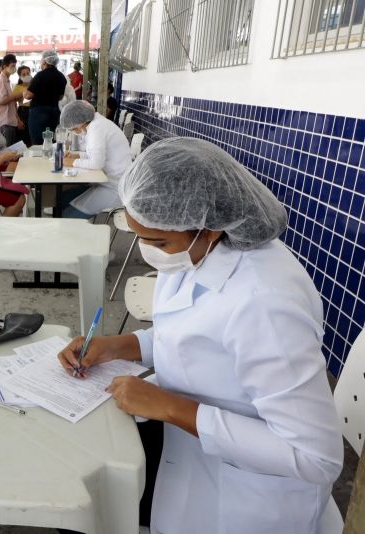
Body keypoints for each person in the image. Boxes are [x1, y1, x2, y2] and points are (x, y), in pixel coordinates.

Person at [58, 136, 343, 534]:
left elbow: (315, 457)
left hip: (251, 504)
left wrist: (171, 408)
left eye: (157, 241)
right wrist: (118, 346)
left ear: (208, 228)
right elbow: (192, 336)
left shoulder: (265, 303)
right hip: (194, 466)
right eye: (139, 236)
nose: (146, 252)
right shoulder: (196, 255)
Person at [57, 100, 131, 219]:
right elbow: (98, 155)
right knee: (62, 199)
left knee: (67, 215)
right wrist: (78, 156)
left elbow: (96, 163)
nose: (75, 132)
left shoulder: (97, 128)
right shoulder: (96, 122)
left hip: (115, 187)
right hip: (105, 181)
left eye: (74, 129)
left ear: (80, 122)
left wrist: (73, 162)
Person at [25, 49, 67, 145]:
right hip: (54, 112)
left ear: (44, 61)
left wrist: (24, 93)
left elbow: (28, 95)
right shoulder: (61, 77)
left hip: (38, 113)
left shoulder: (40, 75)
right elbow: (60, 97)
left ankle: (39, 159)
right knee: (50, 141)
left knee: (38, 142)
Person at [0, 54, 23, 146]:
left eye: (15, 66)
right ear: (5, 66)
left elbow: (10, 101)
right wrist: (16, 95)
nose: (14, 68)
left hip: (10, 120)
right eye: (12, 66)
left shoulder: (7, 80)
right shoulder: (1, 80)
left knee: (11, 148)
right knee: (7, 150)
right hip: (4, 121)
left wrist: (18, 119)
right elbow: (1, 100)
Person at [13, 65, 32, 147]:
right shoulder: (17, 87)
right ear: (20, 76)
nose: (26, 75)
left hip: (34, 111)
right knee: (24, 137)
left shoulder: (34, 85)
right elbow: (13, 105)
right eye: (23, 74)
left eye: (28, 73)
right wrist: (18, 120)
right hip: (23, 112)